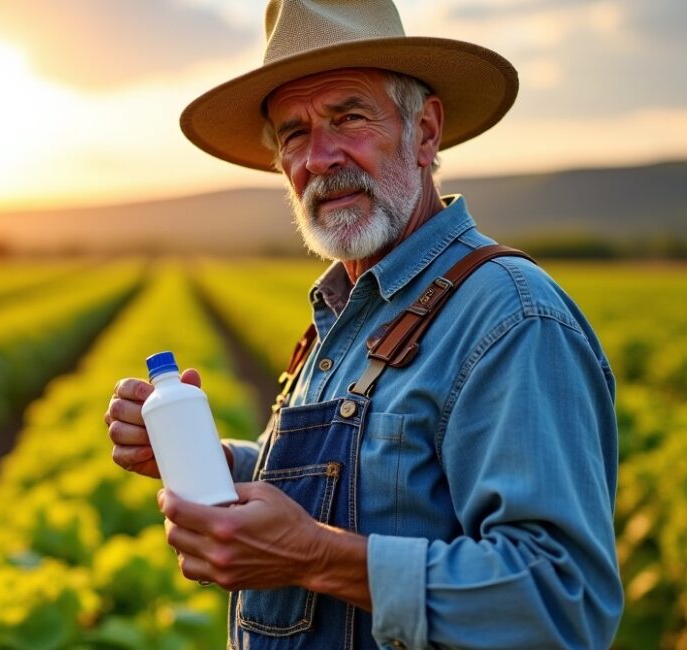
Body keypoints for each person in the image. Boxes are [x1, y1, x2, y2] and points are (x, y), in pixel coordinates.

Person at [104, 0, 623, 648]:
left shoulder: (511, 317)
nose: (319, 157)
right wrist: (218, 467)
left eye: (347, 117)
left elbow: (560, 602)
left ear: (425, 132)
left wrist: (313, 557)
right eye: (293, 132)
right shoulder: (340, 313)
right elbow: (376, 488)